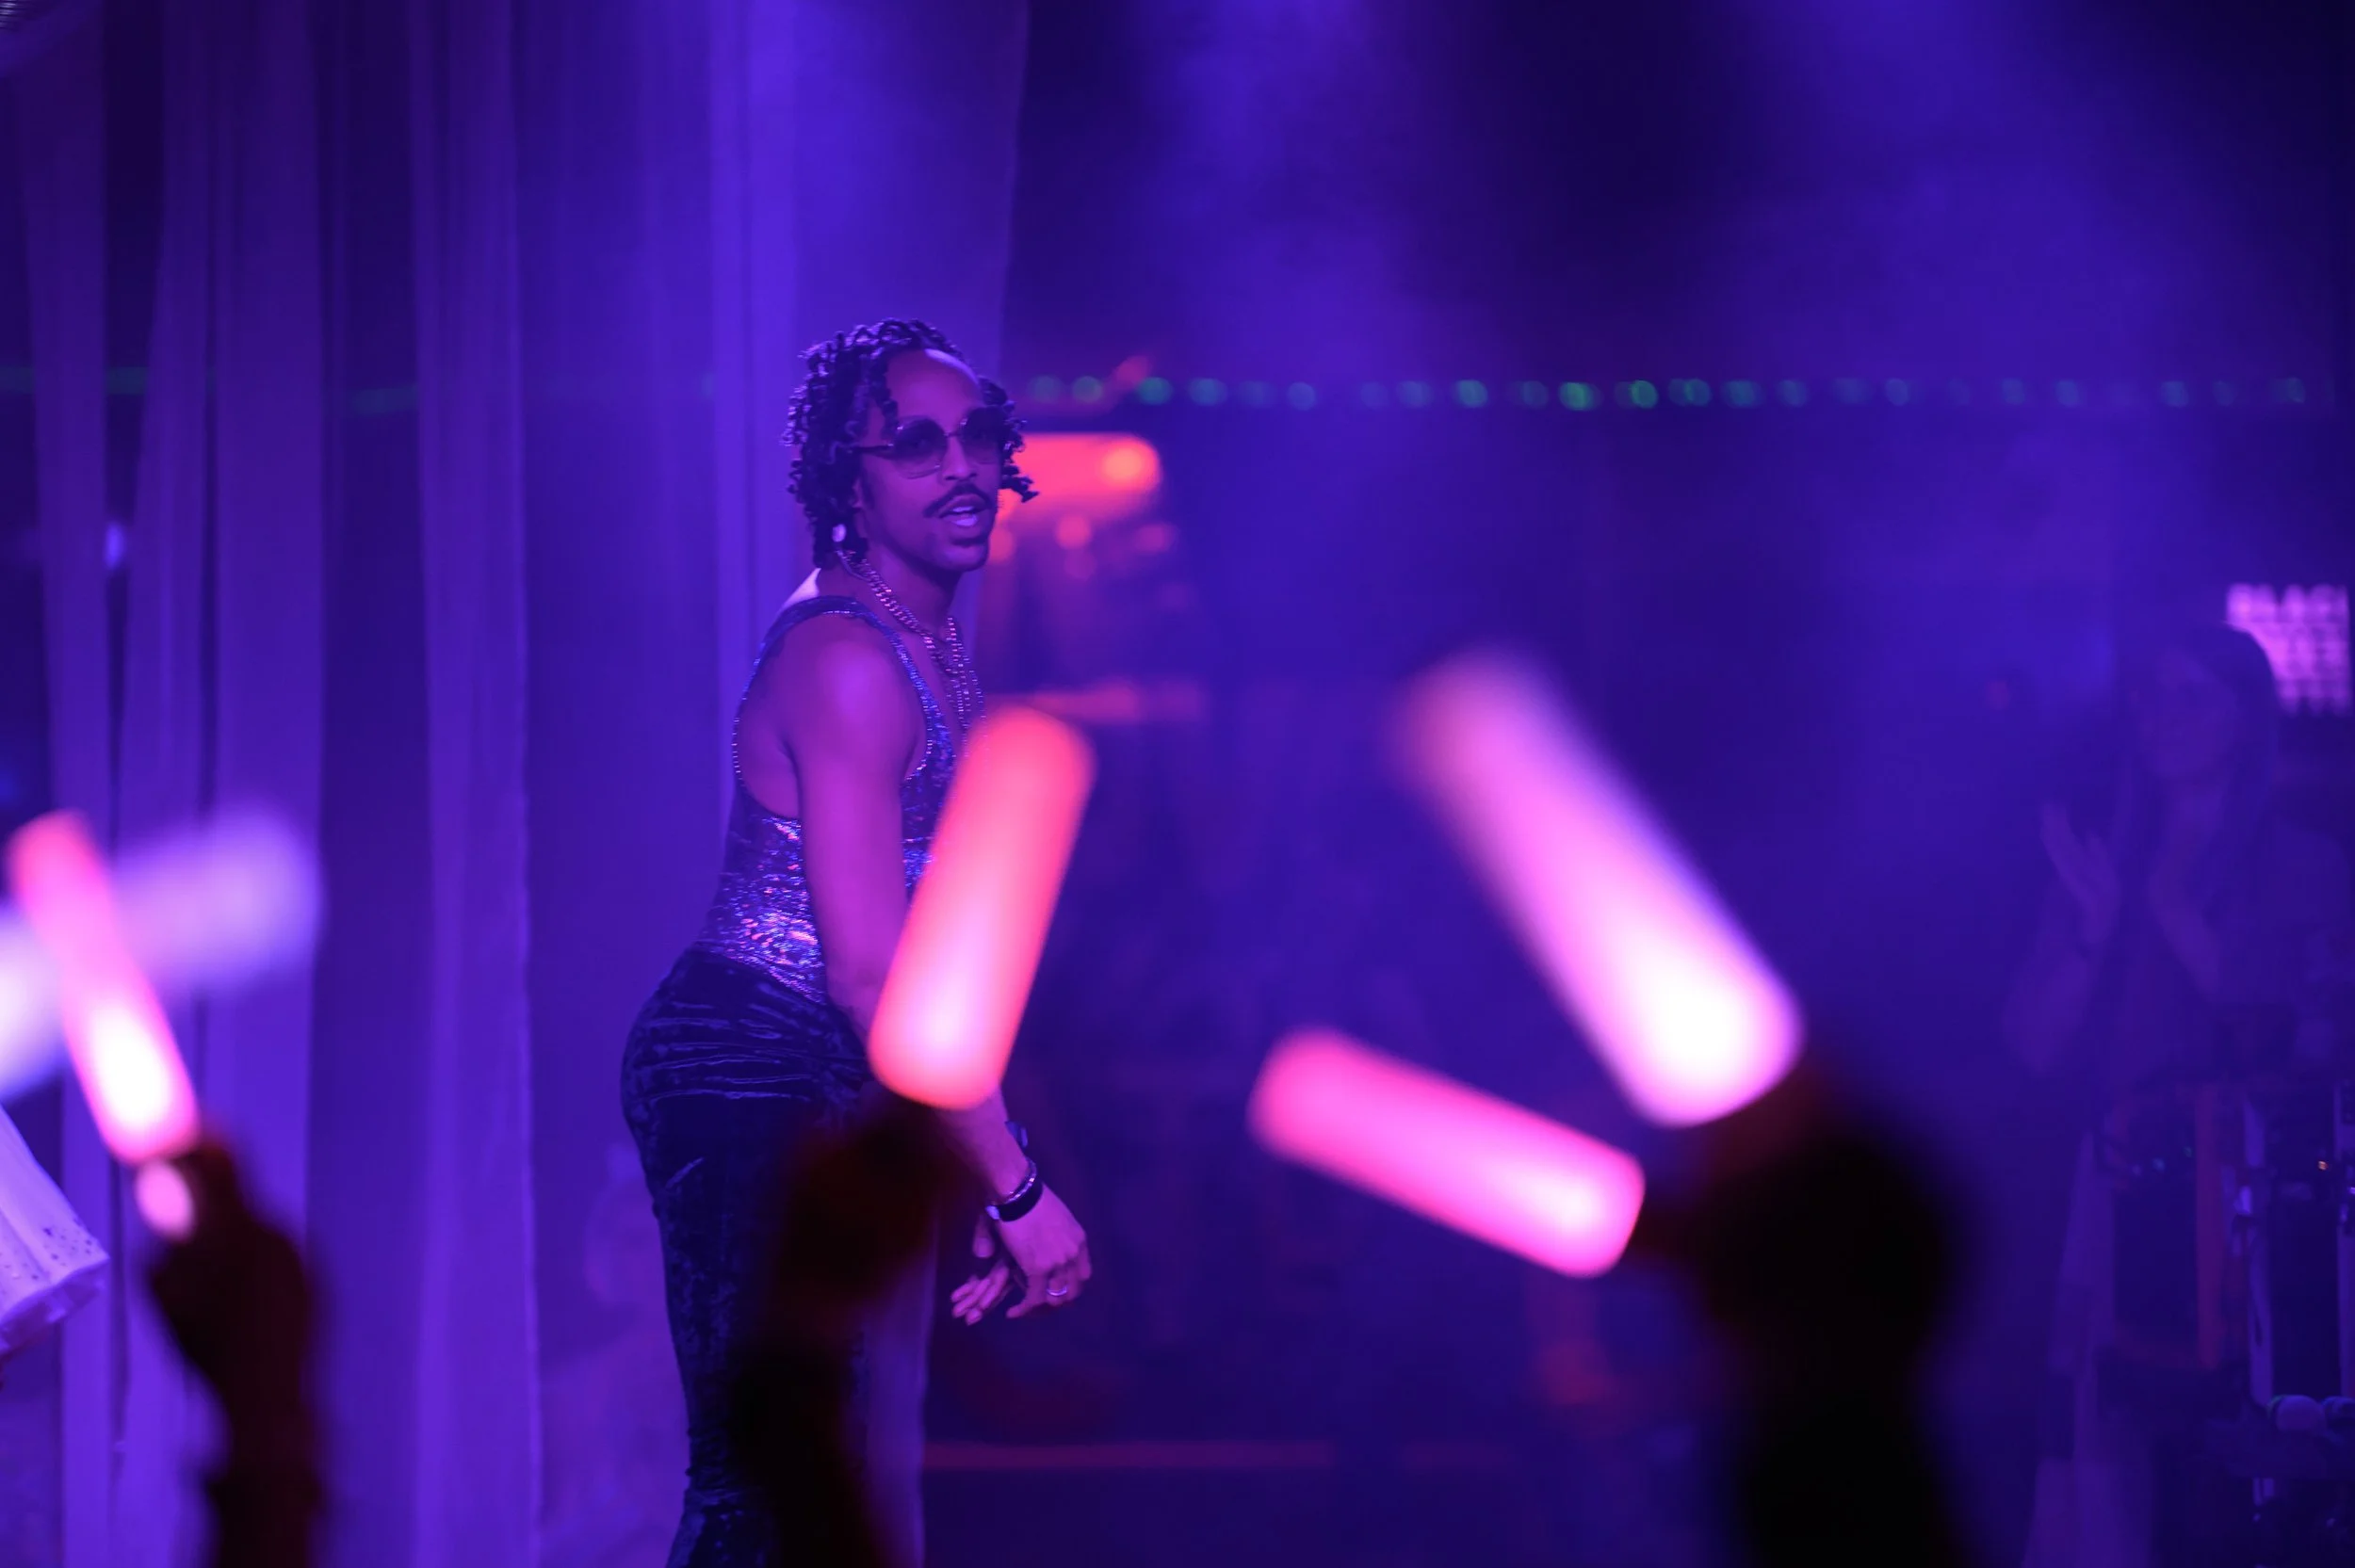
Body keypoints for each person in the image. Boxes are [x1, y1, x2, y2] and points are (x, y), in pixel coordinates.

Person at [623, 319, 1093, 1568]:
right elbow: (875, 974)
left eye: (980, 437)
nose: (963, 469)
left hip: (824, 1068)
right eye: (917, 445)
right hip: (742, 1067)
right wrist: (1018, 1187)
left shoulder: (927, 639)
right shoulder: (848, 659)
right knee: (756, 1473)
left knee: (802, 1463)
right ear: (851, 481)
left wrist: (964, 1159)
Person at [2008, 624, 2353, 1568]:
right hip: (2119, 1188)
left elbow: (2292, 1025)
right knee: (2112, 1446)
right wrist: (2092, 929)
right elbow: (2033, 1045)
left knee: (2245, 1441)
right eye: (2150, 694)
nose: (2161, 714)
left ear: (2244, 721)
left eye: (2192, 694)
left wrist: (2169, 908)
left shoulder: (2303, 860)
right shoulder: (2098, 862)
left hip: (2260, 1203)